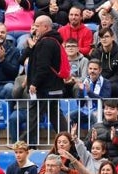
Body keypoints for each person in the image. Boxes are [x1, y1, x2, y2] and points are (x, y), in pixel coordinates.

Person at [25, 15, 68, 145]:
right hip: (53, 86)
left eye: (37, 26)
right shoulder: (50, 41)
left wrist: (34, 83)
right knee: (54, 115)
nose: (35, 29)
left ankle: (25, 144)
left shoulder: (46, 42)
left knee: (34, 114)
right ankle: (68, 140)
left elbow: (42, 66)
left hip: (45, 87)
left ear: (45, 27)